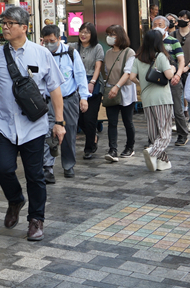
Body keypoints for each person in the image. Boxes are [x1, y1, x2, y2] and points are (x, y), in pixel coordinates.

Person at [0, 6, 65, 242]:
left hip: (34, 126)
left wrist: (58, 122)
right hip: (5, 125)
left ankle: (36, 220)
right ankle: (16, 199)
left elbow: (55, 89)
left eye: (10, 23)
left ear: (24, 27)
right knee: (3, 168)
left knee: (35, 175)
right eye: (3, 22)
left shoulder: (41, 53)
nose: (5, 27)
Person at [39, 25, 89, 180]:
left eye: (52, 41)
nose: (49, 44)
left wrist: (84, 98)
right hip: (48, 101)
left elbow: (80, 76)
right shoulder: (41, 54)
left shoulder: (71, 53)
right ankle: (48, 167)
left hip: (69, 99)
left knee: (69, 134)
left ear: (59, 38)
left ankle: (68, 165)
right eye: (45, 41)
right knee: (47, 133)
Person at [134, 30, 176, 172]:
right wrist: (172, 68)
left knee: (154, 133)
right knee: (165, 133)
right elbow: (169, 75)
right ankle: (152, 152)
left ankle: (163, 161)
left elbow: (132, 77)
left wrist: (144, 82)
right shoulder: (161, 56)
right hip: (162, 98)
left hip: (146, 99)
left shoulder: (138, 57)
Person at [101, 25, 137, 162]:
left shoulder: (129, 52)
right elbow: (106, 71)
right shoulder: (108, 53)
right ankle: (113, 149)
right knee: (112, 122)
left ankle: (130, 147)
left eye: (113, 34)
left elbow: (128, 73)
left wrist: (117, 86)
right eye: (109, 34)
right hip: (111, 90)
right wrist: (112, 87)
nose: (110, 37)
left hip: (125, 90)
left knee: (128, 121)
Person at [152, 15, 187, 146]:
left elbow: (181, 60)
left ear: (166, 27)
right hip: (157, 79)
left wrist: (178, 75)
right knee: (158, 110)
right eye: (154, 25)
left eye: (159, 25)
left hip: (173, 78)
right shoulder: (151, 43)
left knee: (177, 109)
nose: (156, 27)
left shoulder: (173, 41)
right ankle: (158, 136)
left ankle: (182, 134)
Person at [76, 23, 104, 159]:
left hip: (93, 83)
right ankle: (93, 136)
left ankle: (89, 148)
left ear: (92, 34)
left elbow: (98, 67)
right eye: (81, 31)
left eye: (87, 32)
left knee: (89, 118)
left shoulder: (97, 48)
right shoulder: (74, 47)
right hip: (76, 84)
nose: (83, 34)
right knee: (78, 118)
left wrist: (92, 82)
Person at [174, 10, 190, 130]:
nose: (182, 20)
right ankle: (179, 120)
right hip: (175, 70)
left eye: (185, 18)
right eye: (180, 17)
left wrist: (187, 67)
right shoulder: (173, 35)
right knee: (177, 96)